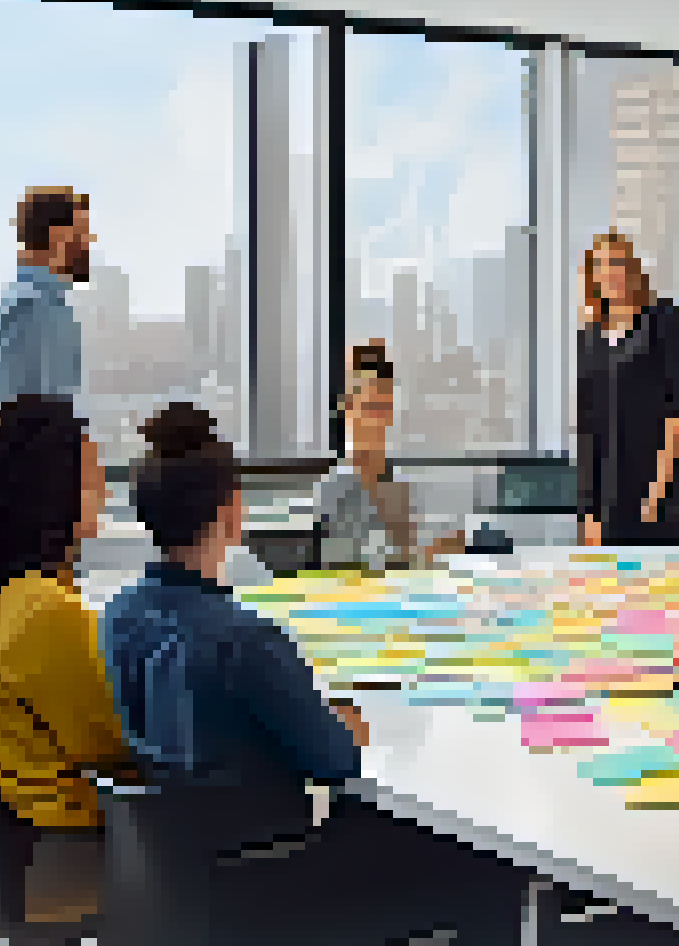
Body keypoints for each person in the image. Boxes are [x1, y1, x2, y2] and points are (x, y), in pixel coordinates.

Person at [101, 404, 525, 944]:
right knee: (483, 861)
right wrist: (336, 720)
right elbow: (338, 758)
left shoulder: (119, 617)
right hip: (265, 877)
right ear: (232, 515)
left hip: (180, 877)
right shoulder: (244, 639)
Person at [0, 395, 130, 924]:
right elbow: (125, 741)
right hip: (79, 860)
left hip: (27, 857)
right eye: (92, 479)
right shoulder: (43, 611)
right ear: (50, 495)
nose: (106, 493)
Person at [576, 231, 679, 546]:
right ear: (593, 277)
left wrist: (657, 491)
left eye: (618, 263)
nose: (611, 273)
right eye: (601, 266)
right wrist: (589, 513)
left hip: (664, 494)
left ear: (633, 269)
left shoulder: (667, 321)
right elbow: (589, 430)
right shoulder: (591, 337)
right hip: (610, 502)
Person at [317, 340, 440, 569]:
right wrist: (427, 555)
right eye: (371, 408)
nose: (379, 420)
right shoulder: (336, 490)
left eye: (385, 408)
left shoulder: (403, 485)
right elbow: (347, 572)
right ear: (348, 408)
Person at [0, 186, 94, 406]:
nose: (88, 242)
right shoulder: (39, 307)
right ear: (58, 235)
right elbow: (38, 416)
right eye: (82, 233)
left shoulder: (26, 299)